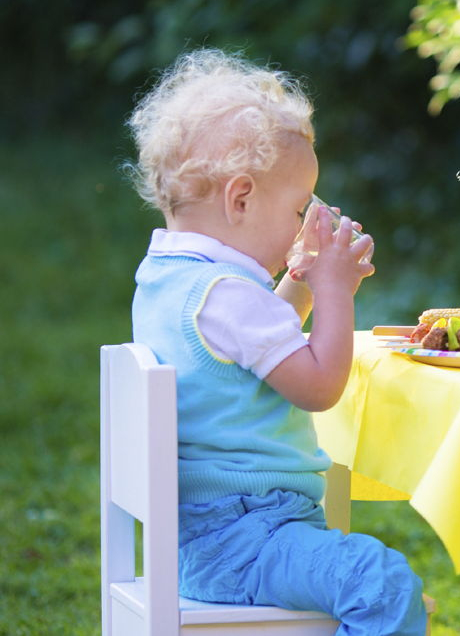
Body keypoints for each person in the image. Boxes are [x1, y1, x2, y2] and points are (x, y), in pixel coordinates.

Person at [126, 49, 427, 635]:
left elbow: (259, 354)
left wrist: (301, 279)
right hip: (250, 536)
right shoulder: (227, 295)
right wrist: (336, 289)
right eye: (297, 210)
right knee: (385, 584)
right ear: (240, 199)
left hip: (205, 536)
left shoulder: (172, 279)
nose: (302, 223)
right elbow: (315, 385)